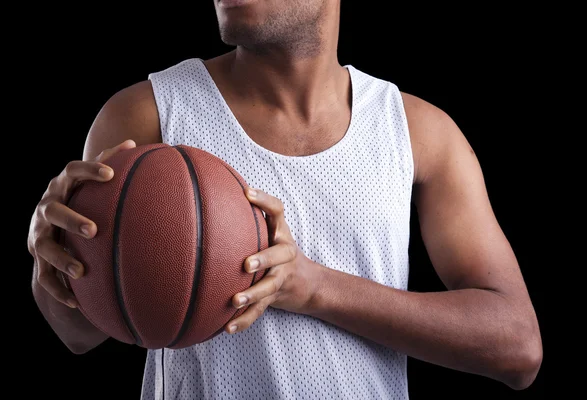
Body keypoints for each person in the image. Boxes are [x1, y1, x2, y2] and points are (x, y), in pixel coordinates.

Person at [27, 1, 542, 399]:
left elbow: (517, 347)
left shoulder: (417, 132)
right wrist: (51, 265)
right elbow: (78, 333)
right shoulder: (145, 117)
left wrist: (312, 287)